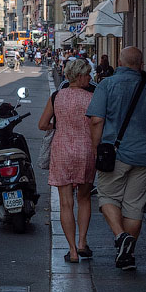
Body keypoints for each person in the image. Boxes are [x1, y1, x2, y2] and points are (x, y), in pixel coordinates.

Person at [86, 46, 146, 270]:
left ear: (119, 62)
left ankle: (120, 237)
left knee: (107, 197)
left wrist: (96, 148)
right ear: (141, 65)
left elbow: (96, 120)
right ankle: (127, 255)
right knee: (134, 206)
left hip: (115, 154)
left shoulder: (107, 85)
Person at [39, 58, 97, 263]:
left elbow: (42, 124)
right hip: (86, 150)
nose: (90, 78)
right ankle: (82, 243)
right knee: (84, 198)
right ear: (80, 76)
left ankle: (72, 251)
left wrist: (59, 125)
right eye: (88, 74)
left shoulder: (57, 97)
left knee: (65, 203)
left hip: (62, 150)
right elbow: (97, 124)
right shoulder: (92, 97)